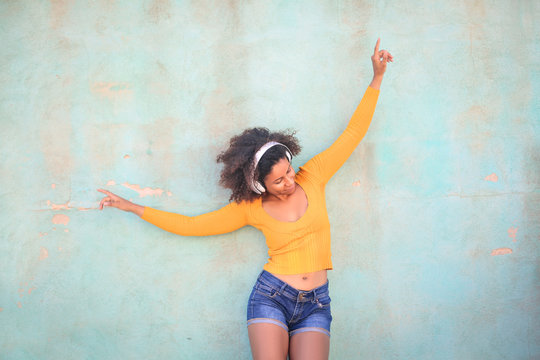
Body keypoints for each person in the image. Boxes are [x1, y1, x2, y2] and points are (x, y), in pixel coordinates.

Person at [98, 38, 392, 360]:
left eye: (289, 172)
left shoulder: (314, 176)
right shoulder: (249, 209)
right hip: (271, 297)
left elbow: (352, 134)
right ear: (260, 185)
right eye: (278, 181)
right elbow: (192, 225)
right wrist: (131, 206)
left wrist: (376, 77)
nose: (290, 182)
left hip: (316, 303)